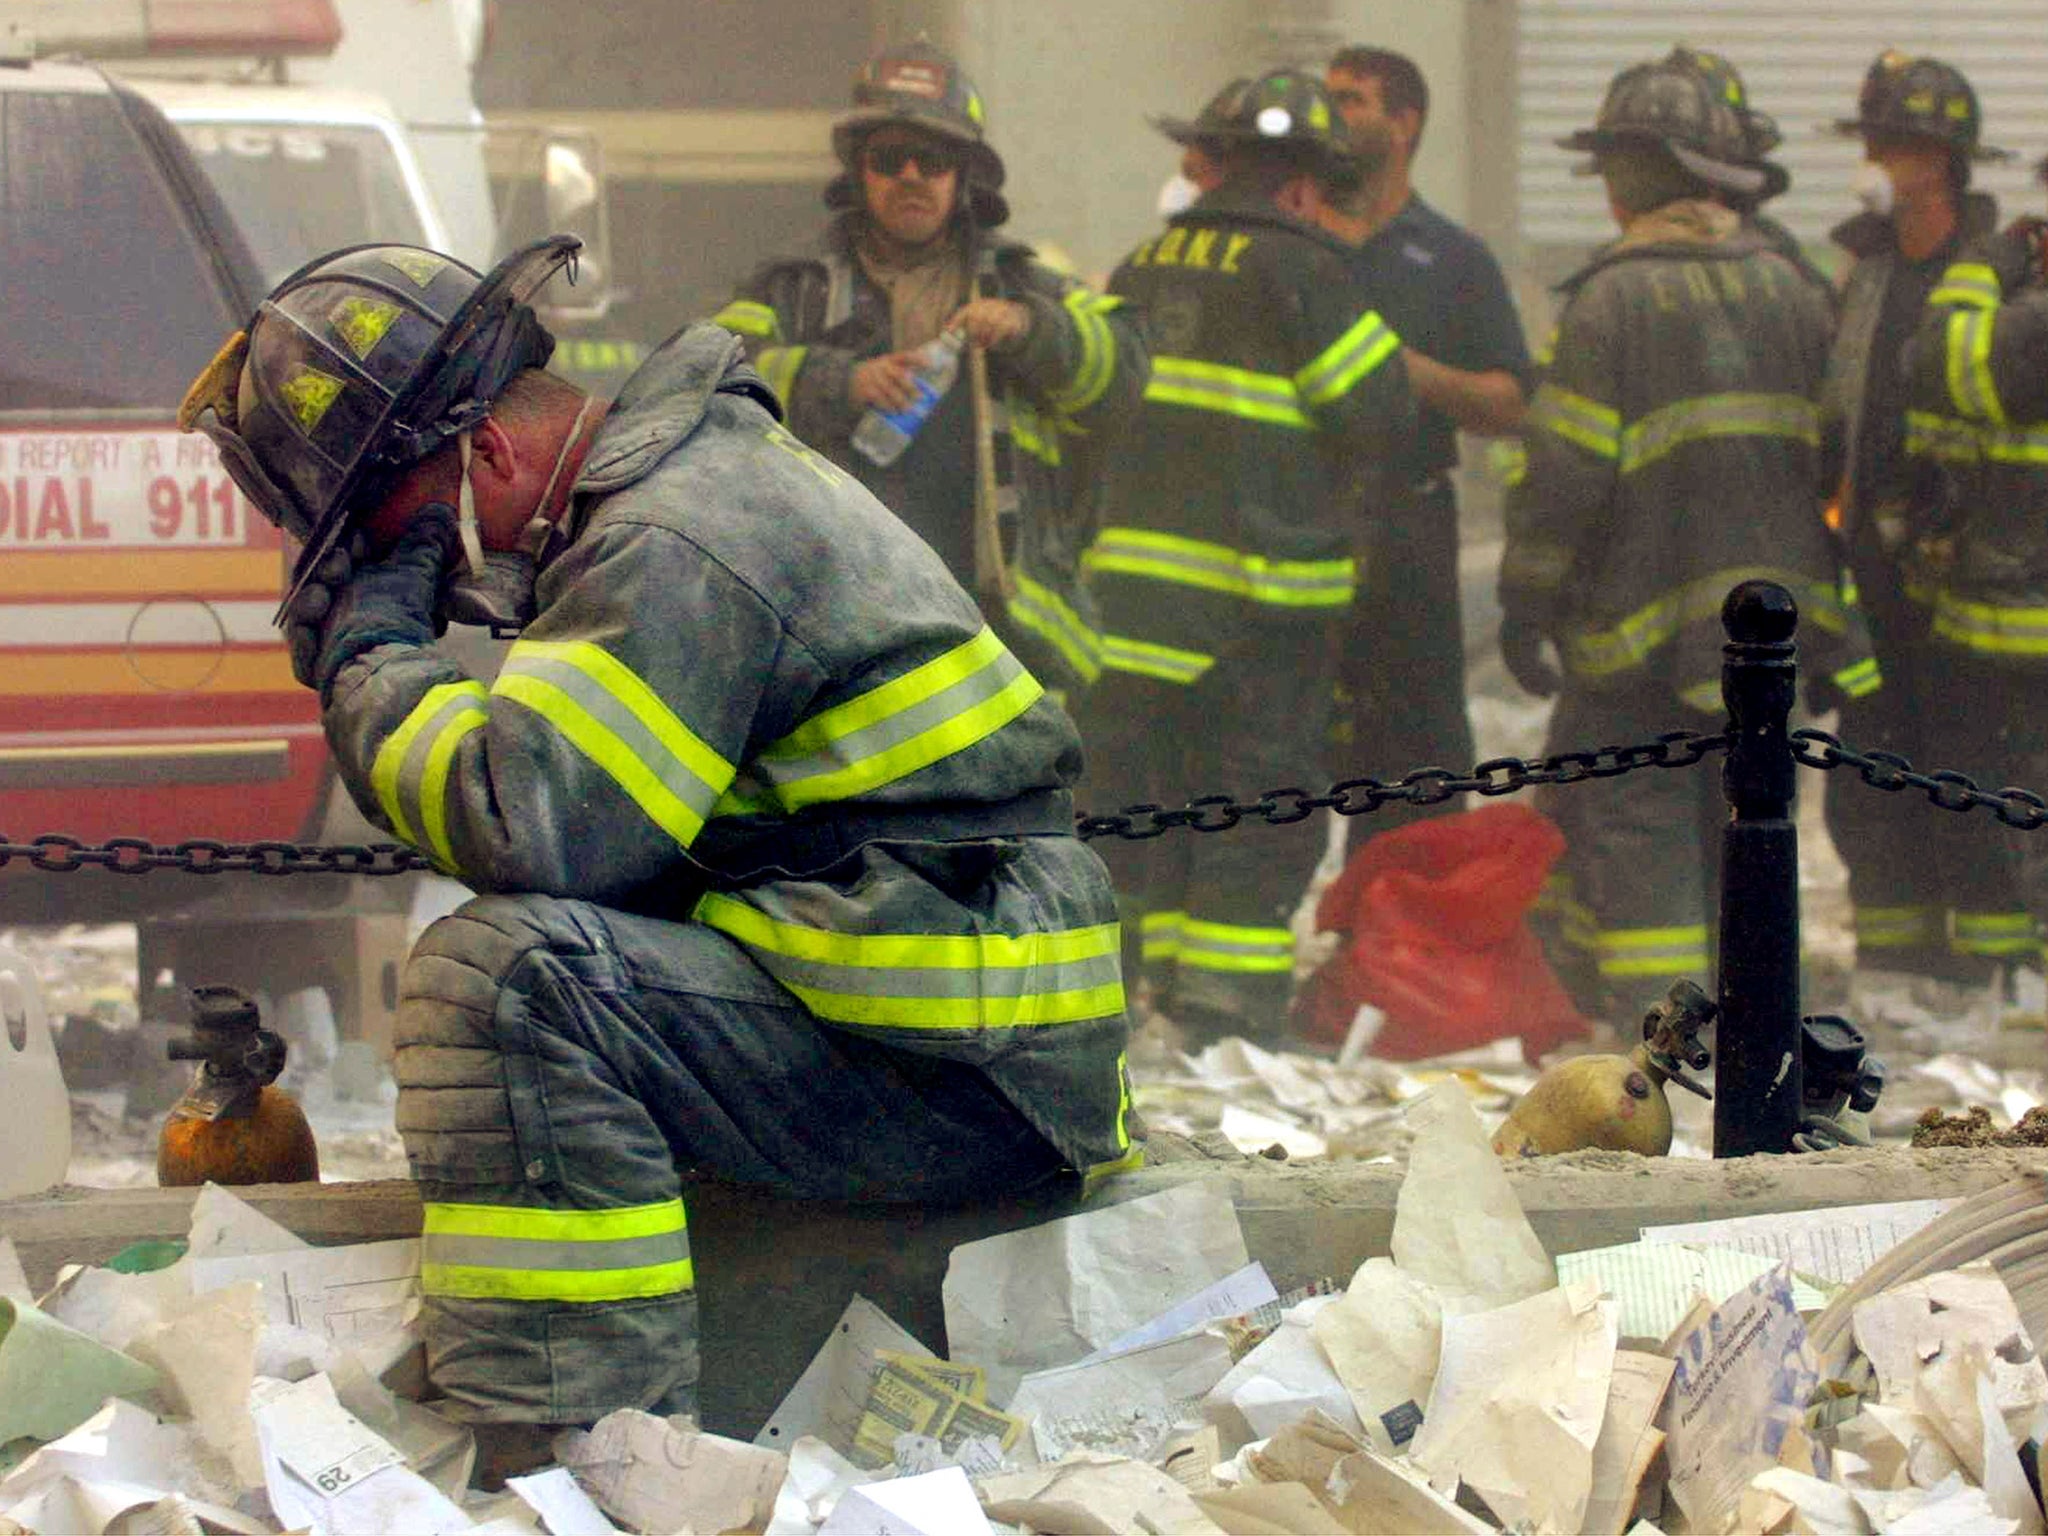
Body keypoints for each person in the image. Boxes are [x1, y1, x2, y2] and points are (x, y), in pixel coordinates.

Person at [179, 236, 1138, 1460]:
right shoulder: (678, 494)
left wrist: (374, 660)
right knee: (547, 967)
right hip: (952, 1043)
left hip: (966, 1077)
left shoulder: (668, 543)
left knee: (511, 981)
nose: (409, 569)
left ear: (482, 455)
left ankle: (579, 1444)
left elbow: (524, 823)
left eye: (396, 527)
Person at [1499, 57, 1870, 1025]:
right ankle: (1758, 1028)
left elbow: (1561, 480)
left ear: (1641, 171)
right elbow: (1835, 456)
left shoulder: (1606, 301)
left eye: (1612, 163)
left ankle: (1664, 1038)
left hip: (1637, 641)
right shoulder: (1793, 289)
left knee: (1636, 824)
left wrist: (1523, 599)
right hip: (1769, 642)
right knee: (1753, 824)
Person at [1078, 69, 1416, 1047]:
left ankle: (1114, 998)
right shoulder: (1303, 273)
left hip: (1134, 606)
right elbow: (1377, 409)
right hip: (1258, 605)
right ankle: (1219, 1014)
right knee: (1252, 807)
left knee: (1134, 806)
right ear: (1305, 186)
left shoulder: (1141, 266)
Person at [711, 39, 1145, 696]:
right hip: (835, 622)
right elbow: (708, 383)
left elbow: (1126, 371)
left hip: (995, 632)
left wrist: (1031, 329)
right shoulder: (793, 285)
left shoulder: (1021, 281)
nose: (912, 174)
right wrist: (838, 382)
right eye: (889, 158)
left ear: (963, 177)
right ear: (859, 171)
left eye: (934, 159)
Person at [1819, 50, 2028, 999]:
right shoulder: (1862, 269)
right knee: (1868, 771)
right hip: (1865, 570)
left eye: (1896, 143)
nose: (1877, 157)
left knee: (1967, 772)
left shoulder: (1994, 279)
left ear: (1942, 160)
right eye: (1873, 139)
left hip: (1962, 583)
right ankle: (1895, 965)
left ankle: (1980, 967)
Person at [1319, 45, 1532, 819]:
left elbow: (1512, 405)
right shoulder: (1292, 247)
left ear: (1404, 124)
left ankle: (1394, 931)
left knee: (1411, 749)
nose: (1331, 113)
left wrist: (1406, 369)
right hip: (1295, 522)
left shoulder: (1452, 259)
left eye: (1352, 100)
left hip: (1407, 526)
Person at [1905, 170, 2048, 976]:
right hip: (2008, 610)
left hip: (2013, 624)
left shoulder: (2030, 325)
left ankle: (2010, 982)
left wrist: (1982, 264)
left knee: (2004, 799)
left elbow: (1944, 362)